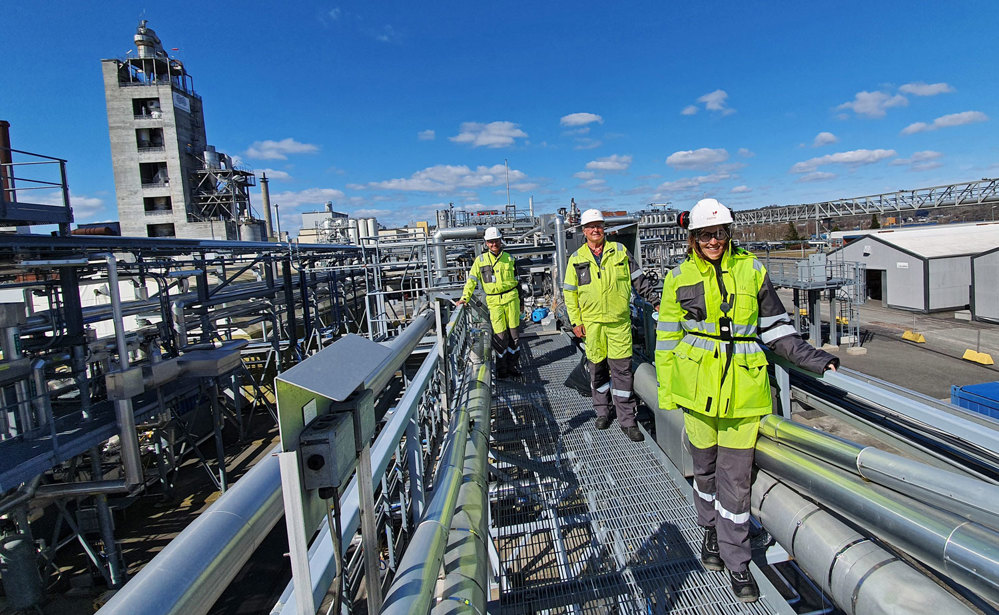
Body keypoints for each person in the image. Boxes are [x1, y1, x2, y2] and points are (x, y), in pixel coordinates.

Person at [654, 198, 838, 603]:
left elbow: (776, 329)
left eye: (719, 233)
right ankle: (710, 533)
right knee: (704, 473)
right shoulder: (678, 277)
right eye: (705, 234)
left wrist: (816, 359)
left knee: (735, 484)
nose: (713, 241)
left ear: (728, 234)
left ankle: (737, 562)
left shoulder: (752, 269)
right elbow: (666, 339)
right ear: (693, 238)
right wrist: (667, 392)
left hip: (744, 394)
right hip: (698, 394)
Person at [563, 208, 659, 442]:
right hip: (592, 326)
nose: (595, 230)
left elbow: (639, 280)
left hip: (618, 324)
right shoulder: (576, 259)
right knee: (597, 372)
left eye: (599, 225)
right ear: (584, 231)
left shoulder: (620, 252)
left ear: (603, 228)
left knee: (622, 373)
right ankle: (603, 412)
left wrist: (656, 302)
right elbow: (569, 294)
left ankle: (627, 420)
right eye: (590, 226)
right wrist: (576, 322)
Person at [457, 226, 522, 378]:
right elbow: (471, 281)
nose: (494, 244)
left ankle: (513, 366)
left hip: (511, 299)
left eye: (496, 241)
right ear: (486, 243)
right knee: (500, 337)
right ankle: (501, 369)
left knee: (514, 337)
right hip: (494, 301)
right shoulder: (480, 261)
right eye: (491, 242)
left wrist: (522, 302)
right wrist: (464, 298)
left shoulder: (509, 259)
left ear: (500, 241)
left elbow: (517, 281)